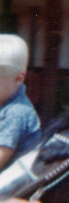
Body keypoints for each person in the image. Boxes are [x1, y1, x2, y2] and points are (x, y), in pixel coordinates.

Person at [0, 34, 41, 169]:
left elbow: (2, 155)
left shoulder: (16, 112)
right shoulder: (4, 103)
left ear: (18, 79)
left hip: (12, 184)